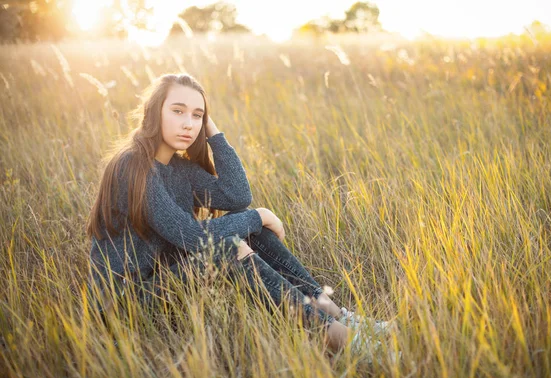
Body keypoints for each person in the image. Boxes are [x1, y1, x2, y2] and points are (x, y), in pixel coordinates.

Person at [86, 73, 394, 360]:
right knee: (235, 239)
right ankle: (336, 336)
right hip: (125, 305)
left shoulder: (180, 170)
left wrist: (214, 133)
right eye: (177, 111)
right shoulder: (132, 164)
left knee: (250, 228)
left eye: (197, 115)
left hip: (164, 282)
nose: (188, 123)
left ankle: (334, 313)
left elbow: (236, 197)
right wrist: (258, 215)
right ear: (154, 112)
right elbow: (190, 236)